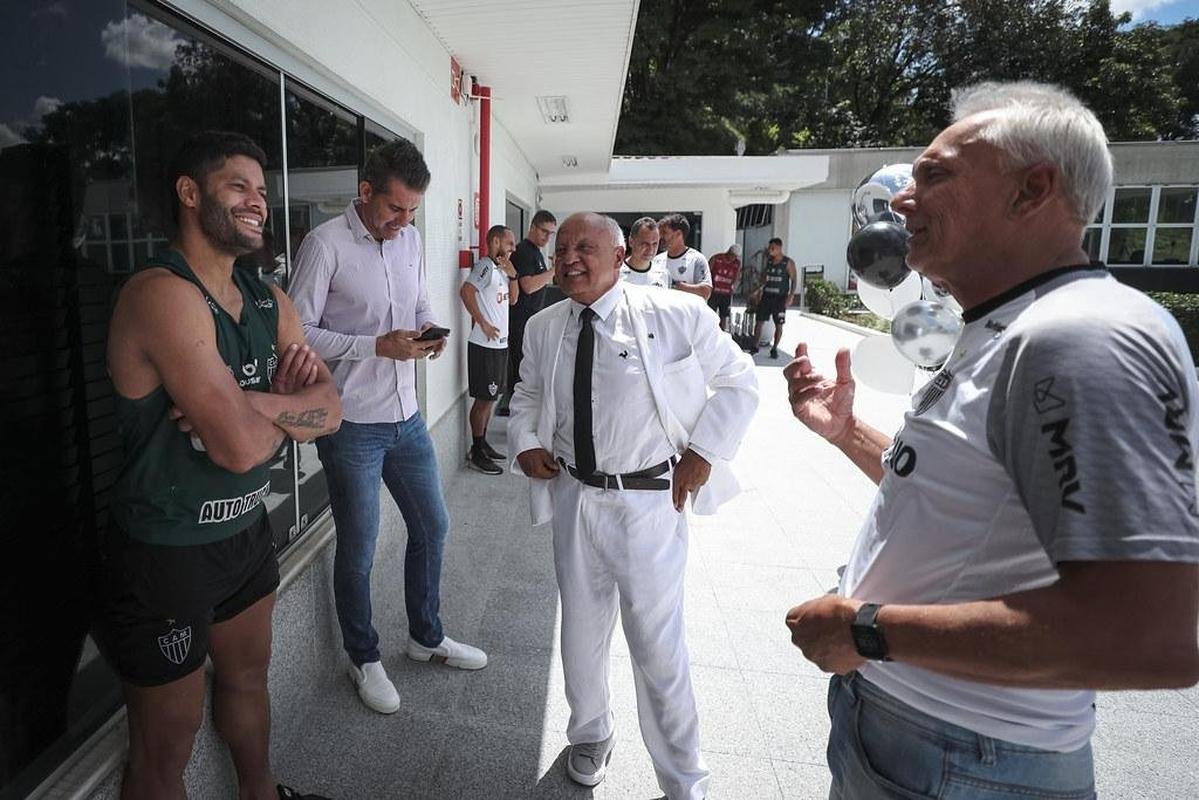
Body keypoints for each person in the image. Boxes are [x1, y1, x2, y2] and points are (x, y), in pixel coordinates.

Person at [783, 81, 1199, 799]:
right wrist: (848, 434)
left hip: (967, 759)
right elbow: (966, 500)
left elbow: (1147, 638)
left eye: (934, 175)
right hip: (921, 738)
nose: (901, 201)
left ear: (1032, 189)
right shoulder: (1008, 325)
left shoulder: (1080, 337)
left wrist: (869, 631)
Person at [95, 130, 342, 800]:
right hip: (164, 552)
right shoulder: (160, 294)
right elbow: (238, 448)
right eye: (239, 185)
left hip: (242, 535)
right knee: (165, 743)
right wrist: (286, 414)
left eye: (262, 190)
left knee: (247, 681)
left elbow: (332, 411)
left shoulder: (271, 300)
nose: (258, 201)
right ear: (190, 192)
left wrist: (251, 403)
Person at [510, 213, 758, 799]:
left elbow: (741, 382)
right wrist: (524, 443)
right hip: (575, 497)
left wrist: (704, 452)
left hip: (648, 503)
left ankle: (683, 777)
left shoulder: (676, 314)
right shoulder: (545, 326)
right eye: (563, 247)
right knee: (579, 632)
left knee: (656, 646)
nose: (570, 257)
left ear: (621, 257)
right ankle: (590, 733)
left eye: (585, 248)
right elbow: (526, 394)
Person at [288, 137, 487, 716]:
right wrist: (373, 345)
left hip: (407, 417)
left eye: (412, 212)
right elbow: (297, 332)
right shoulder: (324, 245)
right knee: (360, 546)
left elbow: (419, 302)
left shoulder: (411, 240)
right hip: (351, 424)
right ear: (365, 191)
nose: (403, 222)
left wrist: (427, 329)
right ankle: (362, 655)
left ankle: (426, 639)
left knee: (433, 526)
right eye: (394, 209)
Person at [460, 224, 519, 475]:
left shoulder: (501, 270)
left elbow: (514, 299)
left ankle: (483, 444)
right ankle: (476, 450)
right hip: (484, 345)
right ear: (495, 242)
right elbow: (466, 291)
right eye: (509, 243)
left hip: (499, 344)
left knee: (491, 398)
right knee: (484, 399)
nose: (513, 248)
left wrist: (513, 275)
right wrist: (481, 322)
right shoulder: (485, 265)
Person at [498, 209, 558, 416]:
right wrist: (553, 271)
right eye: (544, 231)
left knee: (531, 369)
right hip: (520, 320)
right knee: (522, 372)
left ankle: (525, 414)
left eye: (551, 233)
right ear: (532, 227)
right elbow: (529, 286)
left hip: (532, 320)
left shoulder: (536, 253)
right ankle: (518, 417)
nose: (547, 237)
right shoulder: (524, 251)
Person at [749, 238, 795, 358]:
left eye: (773, 248)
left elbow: (794, 280)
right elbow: (764, 277)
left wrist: (790, 296)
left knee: (779, 324)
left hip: (780, 298)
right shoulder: (769, 261)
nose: (770, 250)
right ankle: (755, 346)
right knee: (759, 322)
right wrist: (758, 290)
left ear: (779, 248)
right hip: (767, 296)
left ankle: (774, 348)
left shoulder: (788, 262)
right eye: (769, 248)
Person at [655, 213, 711, 300]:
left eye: (664, 232)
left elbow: (705, 292)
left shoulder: (696, 259)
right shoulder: (656, 260)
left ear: (678, 234)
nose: (660, 237)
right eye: (659, 233)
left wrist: (674, 286)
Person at [619, 216, 669, 288]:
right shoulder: (615, 274)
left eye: (655, 244)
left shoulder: (663, 274)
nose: (650, 249)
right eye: (645, 244)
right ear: (631, 242)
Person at [707, 243, 742, 331]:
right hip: (714, 292)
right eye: (732, 255)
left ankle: (722, 333)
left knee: (724, 315)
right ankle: (709, 331)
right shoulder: (716, 258)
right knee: (711, 314)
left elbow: (737, 276)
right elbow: (706, 273)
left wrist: (734, 287)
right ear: (729, 252)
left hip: (726, 293)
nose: (733, 258)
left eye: (735, 256)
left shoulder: (737, 263)